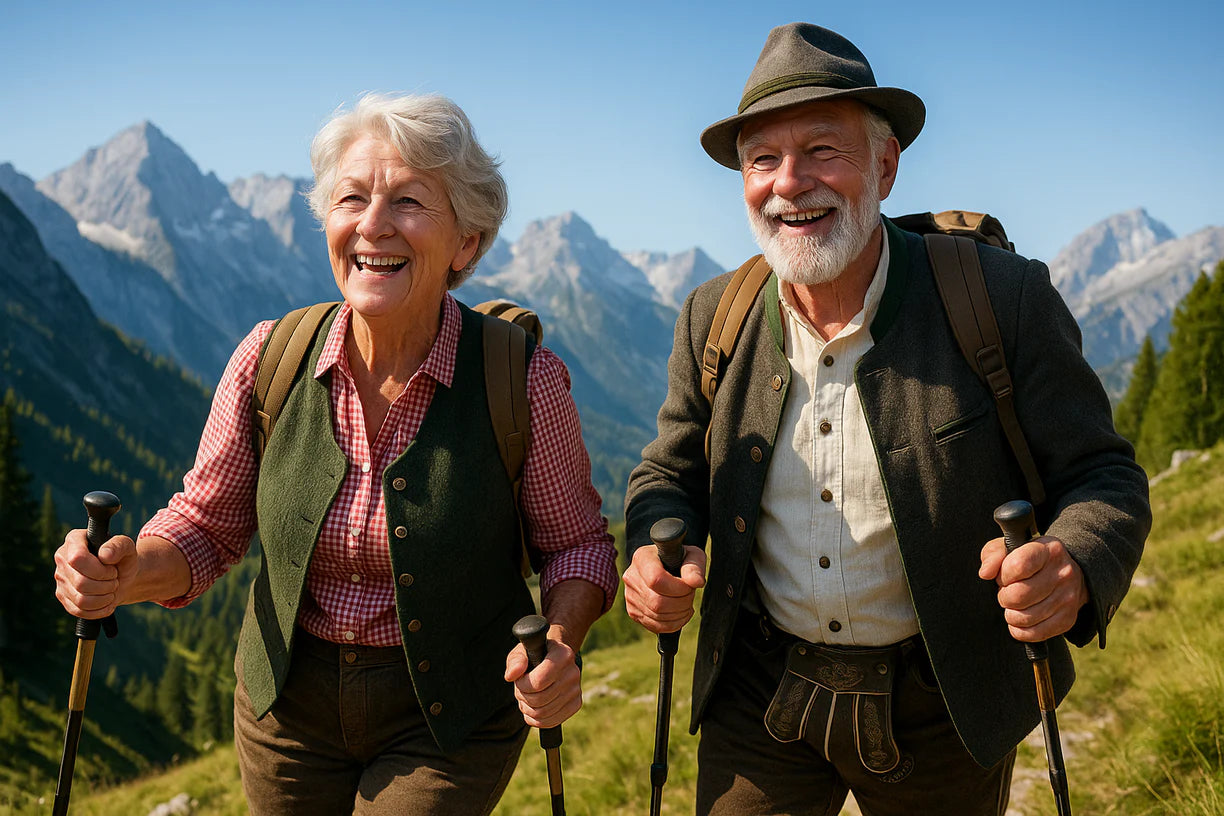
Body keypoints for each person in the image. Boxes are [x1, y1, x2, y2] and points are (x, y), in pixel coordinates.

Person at [622, 22, 1149, 816]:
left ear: (886, 166)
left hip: (946, 701)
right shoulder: (713, 316)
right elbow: (669, 473)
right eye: (762, 159)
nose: (789, 183)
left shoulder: (999, 298)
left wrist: (1075, 561)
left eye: (822, 150)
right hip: (759, 693)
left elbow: (1102, 475)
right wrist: (652, 547)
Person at [53, 92, 619, 814]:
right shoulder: (271, 358)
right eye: (351, 198)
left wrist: (560, 640)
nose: (372, 225)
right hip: (287, 709)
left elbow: (576, 547)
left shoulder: (523, 380)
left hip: (451, 714)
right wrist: (127, 572)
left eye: (408, 201)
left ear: (467, 242)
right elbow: (207, 525)